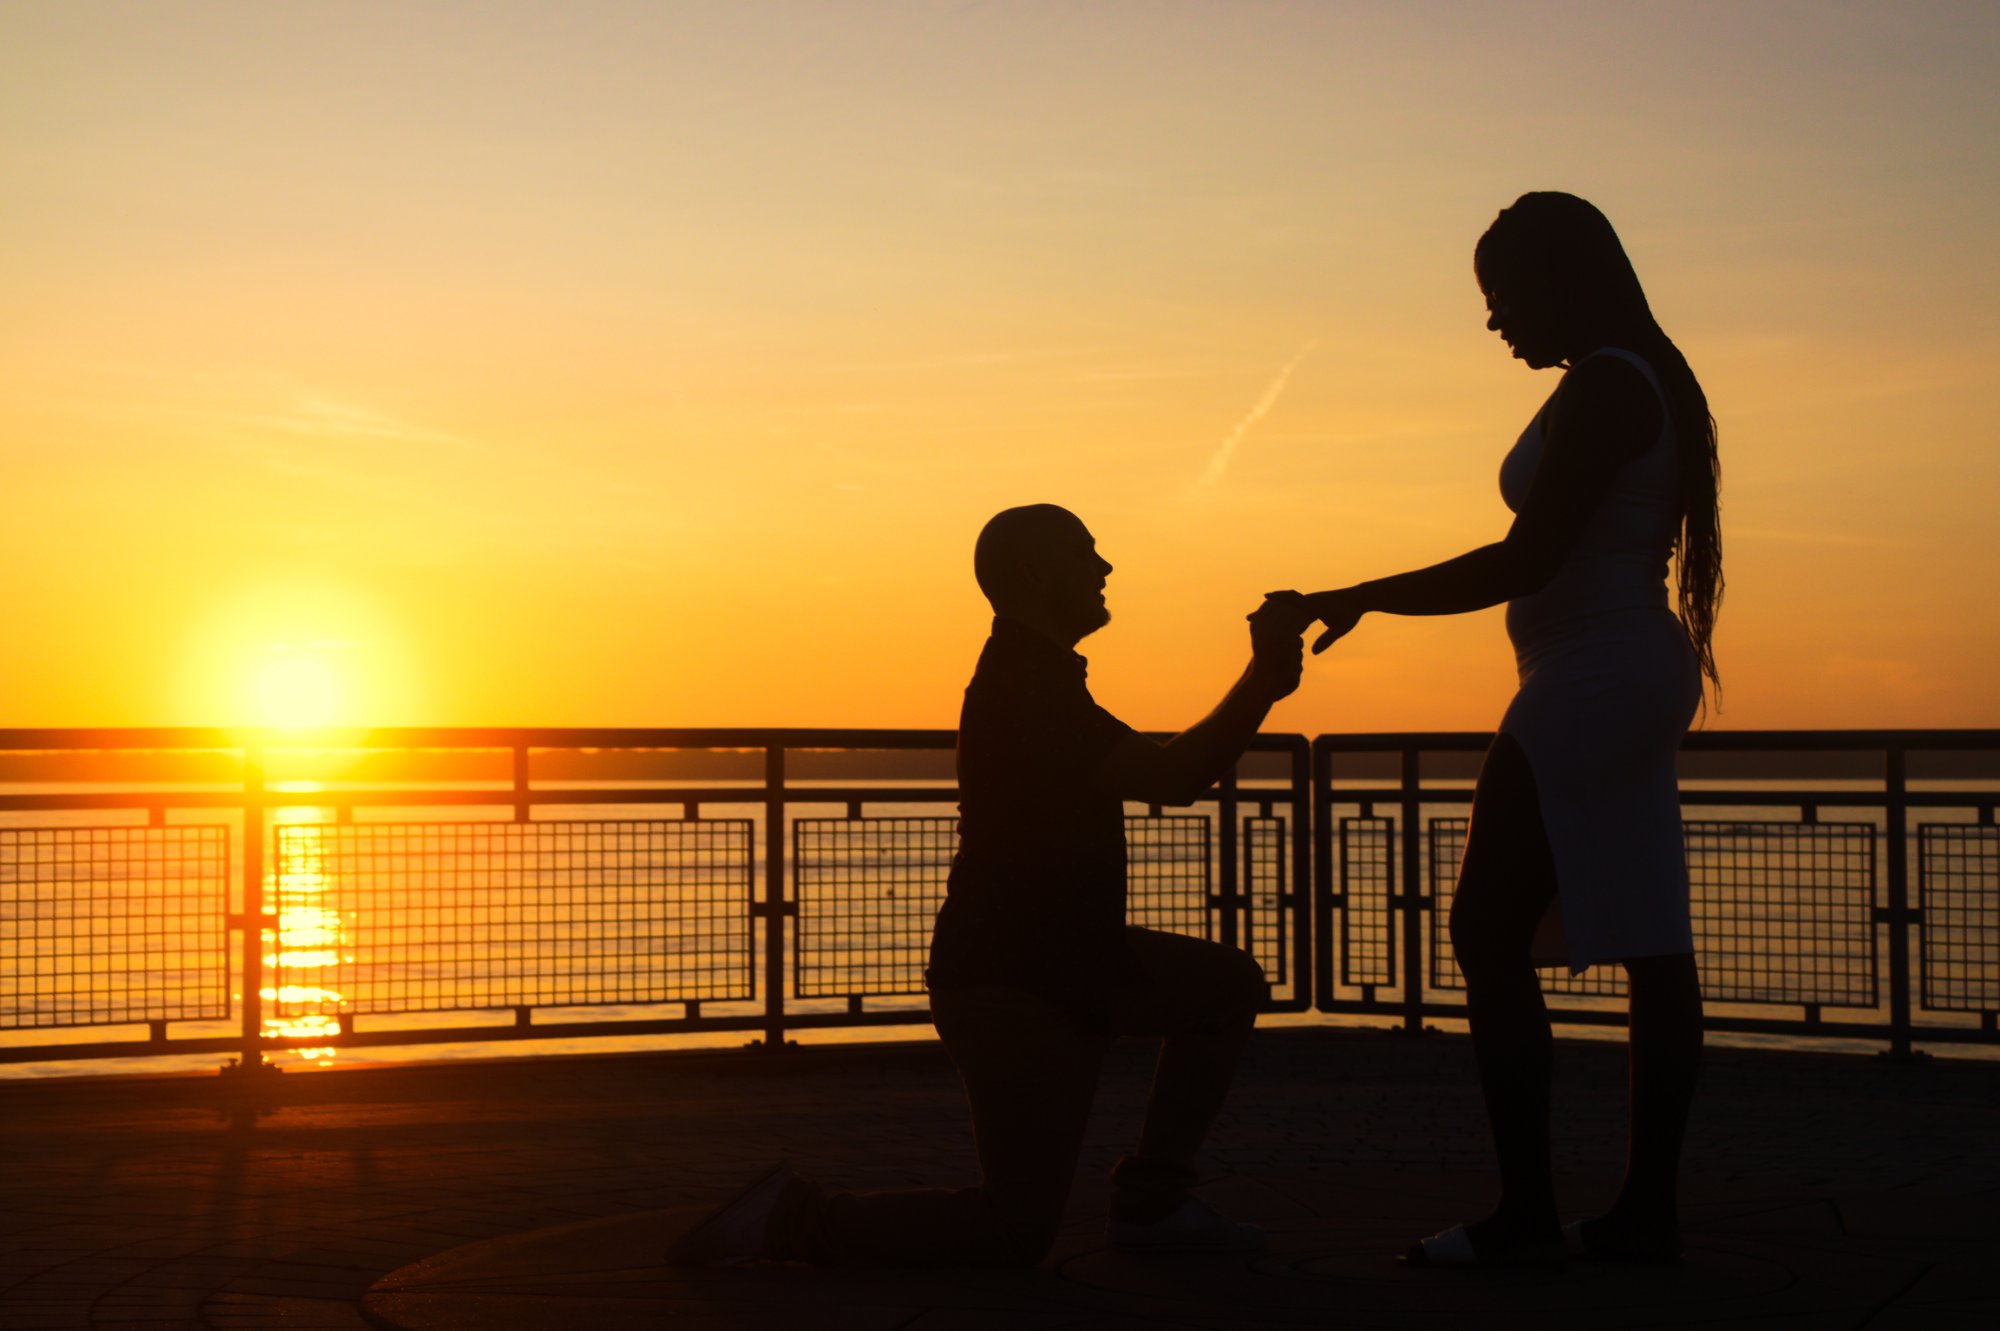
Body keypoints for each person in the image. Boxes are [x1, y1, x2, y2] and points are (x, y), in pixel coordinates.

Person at [668, 503, 1307, 1268]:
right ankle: (790, 1218)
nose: (1104, 569)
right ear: (1037, 575)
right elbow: (1175, 777)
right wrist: (1264, 678)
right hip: (1012, 985)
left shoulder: (1040, 679)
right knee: (1012, 1230)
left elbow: (1166, 774)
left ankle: (1153, 1201)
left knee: (1224, 984)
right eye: (1086, 553)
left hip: (1074, 964)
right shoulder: (1026, 687)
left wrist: (1263, 682)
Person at [1273, 192, 1721, 1267]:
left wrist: (1357, 593)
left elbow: (1527, 557)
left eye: (1501, 296)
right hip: (1610, 667)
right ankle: (1639, 1219)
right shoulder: (1625, 375)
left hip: (1591, 673)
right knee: (1651, 943)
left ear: (1561, 280)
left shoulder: (1608, 383)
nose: (1493, 322)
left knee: (1485, 927)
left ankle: (1527, 1217)